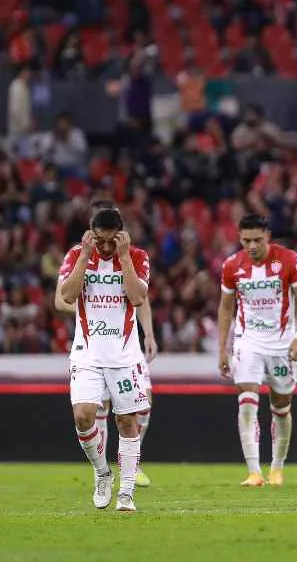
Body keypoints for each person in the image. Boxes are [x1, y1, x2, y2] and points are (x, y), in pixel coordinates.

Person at [54, 201, 158, 488]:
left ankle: (129, 472)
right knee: (86, 415)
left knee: (135, 412)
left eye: (112, 241)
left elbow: (139, 299)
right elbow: (66, 297)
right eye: (100, 241)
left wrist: (123, 258)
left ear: (121, 235)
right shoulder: (77, 254)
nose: (106, 248)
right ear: (90, 233)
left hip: (125, 352)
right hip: (89, 351)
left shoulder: (136, 257)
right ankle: (101, 471)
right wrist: (85, 255)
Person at [218, 214, 297, 487]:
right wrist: (223, 349)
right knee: (246, 399)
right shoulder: (232, 266)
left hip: (282, 344)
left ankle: (277, 468)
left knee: (281, 406)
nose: (252, 246)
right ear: (239, 238)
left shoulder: (289, 260)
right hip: (248, 341)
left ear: (268, 236)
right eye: (246, 241)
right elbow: (225, 308)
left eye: (257, 240)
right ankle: (254, 471)